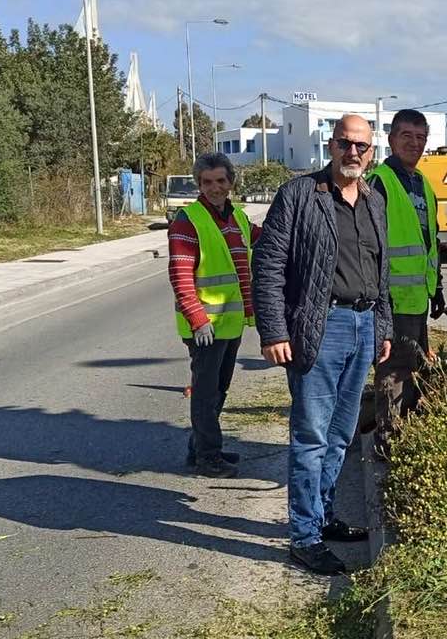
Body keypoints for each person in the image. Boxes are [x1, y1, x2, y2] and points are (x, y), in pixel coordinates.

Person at [252, 114, 392, 576]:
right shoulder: (299, 195)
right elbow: (268, 264)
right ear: (330, 146)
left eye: (363, 147)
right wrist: (273, 331)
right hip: (320, 325)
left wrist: (384, 328)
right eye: (346, 144)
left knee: (340, 435)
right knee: (311, 436)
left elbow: (381, 272)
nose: (354, 153)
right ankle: (304, 536)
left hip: (363, 323)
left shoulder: (374, 200)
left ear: (373, 152)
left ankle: (324, 514)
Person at [168, 152, 261, 479]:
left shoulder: (237, 217)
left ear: (231, 182)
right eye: (207, 182)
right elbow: (180, 276)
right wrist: (198, 320)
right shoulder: (187, 220)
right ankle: (208, 457)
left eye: (221, 181)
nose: (215, 188)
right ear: (199, 185)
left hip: (230, 323)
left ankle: (200, 450)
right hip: (204, 327)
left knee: (218, 391)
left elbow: (264, 242)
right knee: (205, 394)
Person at [366, 109, 444, 451]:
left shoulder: (422, 183)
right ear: (391, 139)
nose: (414, 143)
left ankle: (406, 433)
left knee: (412, 365)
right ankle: (389, 438)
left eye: (420, 137)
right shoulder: (381, 182)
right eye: (406, 136)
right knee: (394, 369)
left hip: (418, 296)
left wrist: (436, 285)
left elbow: (430, 240)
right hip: (392, 299)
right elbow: (370, 243)